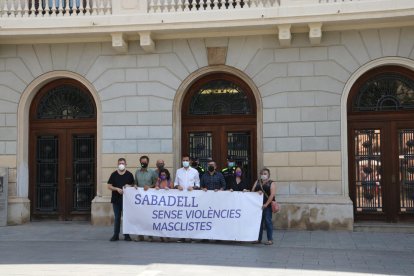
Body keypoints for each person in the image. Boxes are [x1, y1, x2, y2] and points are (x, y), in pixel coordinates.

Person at [107, 158, 134, 242]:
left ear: (126, 164)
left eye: (122, 163)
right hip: (116, 199)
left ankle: (127, 235)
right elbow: (109, 186)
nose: (121, 165)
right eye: (119, 163)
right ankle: (116, 235)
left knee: (126, 218)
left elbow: (133, 184)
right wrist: (116, 189)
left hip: (126, 200)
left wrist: (128, 186)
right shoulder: (114, 174)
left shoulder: (129, 174)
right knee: (117, 217)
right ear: (117, 164)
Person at [174, 154, 200, 242]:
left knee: (191, 217)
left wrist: (193, 188)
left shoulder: (195, 171)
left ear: (190, 161)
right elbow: (175, 183)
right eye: (183, 160)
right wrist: (178, 187)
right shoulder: (178, 171)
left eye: (187, 160)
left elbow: (198, 184)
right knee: (182, 217)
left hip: (191, 198)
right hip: (181, 198)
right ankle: (182, 236)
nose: (185, 162)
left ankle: (192, 236)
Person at [134, 155, 157, 242]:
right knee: (140, 217)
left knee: (149, 217)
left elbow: (156, 183)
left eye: (145, 162)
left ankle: (150, 235)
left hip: (149, 198)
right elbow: (135, 182)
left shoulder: (152, 172)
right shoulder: (137, 172)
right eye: (142, 162)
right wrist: (135, 185)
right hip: (140, 199)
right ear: (140, 162)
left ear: (148, 162)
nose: (143, 163)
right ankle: (140, 235)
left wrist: (150, 186)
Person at [251, 168, 276, 245]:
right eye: (262, 173)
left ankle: (270, 239)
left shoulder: (271, 183)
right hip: (258, 206)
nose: (263, 175)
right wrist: (256, 192)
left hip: (267, 206)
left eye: (265, 173)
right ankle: (258, 239)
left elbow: (272, 195)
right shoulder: (257, 182)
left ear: (268, 175)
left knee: (268, 222)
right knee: (259, 223)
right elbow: (252, 191)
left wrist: (266, 204)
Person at [155, 168, 173, 242]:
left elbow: (174, 192)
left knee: (167, 221)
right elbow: (155, 189)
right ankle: (161, 235)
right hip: (160, 205)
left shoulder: (170, 182)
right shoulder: (158, 182)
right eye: (161, 175)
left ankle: (167, 235)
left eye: (164, 174)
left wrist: (169, 189)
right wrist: (156, 187)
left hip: (168, 205)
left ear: (167, 175)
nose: (163, 176)